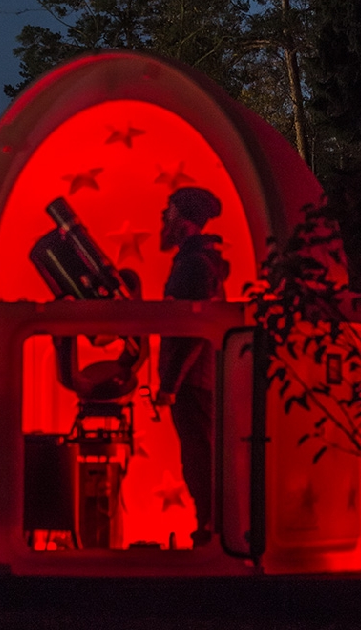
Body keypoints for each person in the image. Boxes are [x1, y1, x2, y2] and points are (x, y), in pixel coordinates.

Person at [157, 186, 229, 548]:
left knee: (199, 458)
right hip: (195, 379)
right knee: (197, 455)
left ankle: (210, 530)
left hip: (193, 381)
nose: (163, 217)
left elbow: (194, 329)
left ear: (184, 221)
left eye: (169, 211)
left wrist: (170, 384)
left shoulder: (194, 265)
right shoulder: (197, 261)